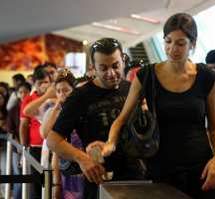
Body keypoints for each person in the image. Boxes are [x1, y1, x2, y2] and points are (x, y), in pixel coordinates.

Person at [100, 13, 215, 199]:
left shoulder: (207, 77)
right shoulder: (146, 75)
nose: (172, 49)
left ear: (193, 44)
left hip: (200, 168)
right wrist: (110, 142)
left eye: (180, 43)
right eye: (168, 41)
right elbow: (121, 119)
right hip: (161, 168)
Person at [47, 38, 142, 199]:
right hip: (100, 179)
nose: (111, 73)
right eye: (103, 68)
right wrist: (82, 158)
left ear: (123, 60)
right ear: (93, 67)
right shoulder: (80, 96)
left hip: (137, 178)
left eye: (115, 66)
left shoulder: (131, 89)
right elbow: (53, 140)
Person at [40, 69, 84, 199]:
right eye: (58, 91)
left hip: (84, 166)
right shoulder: (54, 112)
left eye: (65, 90)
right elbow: (45, 134)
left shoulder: (83, 109)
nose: (62, 94)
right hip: (65, 167)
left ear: (74, 90)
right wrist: (57, 106)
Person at [19, 66, 51, 199]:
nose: (43, 85)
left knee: (51, 183)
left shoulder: (56, 96)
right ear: (34, 84)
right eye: (40, 83)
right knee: (36, 183)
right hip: (36, 148)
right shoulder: (29, 99)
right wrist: (24, 147)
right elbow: (24, 125)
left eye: (46, 82)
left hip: (53, 147)